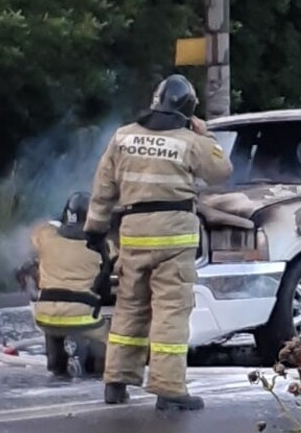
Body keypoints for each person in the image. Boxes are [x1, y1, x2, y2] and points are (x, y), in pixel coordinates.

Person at [83, 74, 232, 411]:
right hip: (174, 239)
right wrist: (206, 136)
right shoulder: (189, 141)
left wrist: (95, 228)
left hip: (134, 235)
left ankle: (116, 381)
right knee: (170, 311)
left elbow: (104, 187)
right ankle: (169, 389)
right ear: (188, 110)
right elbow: (221, 171)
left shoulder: (123, 136)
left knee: (129, 307)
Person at [27, 191, 112, 379]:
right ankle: (98, 368)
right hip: (84, 319)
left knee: (53, 323)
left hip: (45, 317)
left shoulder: (46, 236)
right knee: (111, 343)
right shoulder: (102, 246)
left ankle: (56, 365)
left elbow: (37, 235)